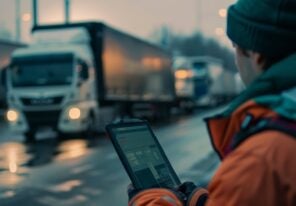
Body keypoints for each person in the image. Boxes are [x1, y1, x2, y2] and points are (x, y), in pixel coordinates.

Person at [128, 0, 296, 205]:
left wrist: (149, 199)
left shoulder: (260, 159)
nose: (236, 60)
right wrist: (199, 200)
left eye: (236, 48)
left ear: (256, 55)